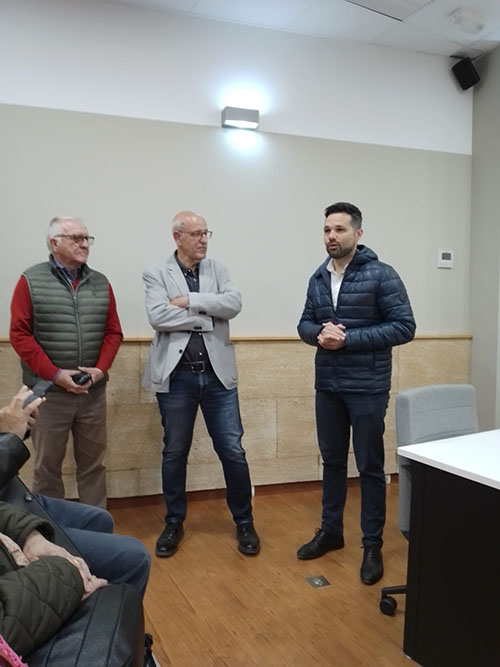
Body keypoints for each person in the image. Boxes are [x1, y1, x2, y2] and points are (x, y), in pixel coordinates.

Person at [297, 202, 415, 585]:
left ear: (358, 234)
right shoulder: (318, 277)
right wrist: (318, 333)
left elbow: (404, 327)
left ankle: (372, 545)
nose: (332, 236)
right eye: (327, 230)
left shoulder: (382, 274)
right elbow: (304, 323)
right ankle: (331, 531)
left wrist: (346, 339)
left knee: (369, 467)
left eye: (340, 230)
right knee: (332, 462)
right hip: (328, 387)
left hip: (367, 386)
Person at [0, 386, 151, 657]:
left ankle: (115, 627)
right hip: (11, 519)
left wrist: (30, 535)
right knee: (135, 556)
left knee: (100, 519)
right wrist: (71, 571)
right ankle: (114, 637)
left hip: (10, 501)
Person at [143, 210, 259, 558]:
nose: (203, 239)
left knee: (232, 450)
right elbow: (158, 316)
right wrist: (207, 316)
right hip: (177, 376)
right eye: (195, 234)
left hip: (218, 376)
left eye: (206, 233)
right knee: (175, 451)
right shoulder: (156, 272)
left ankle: (244, 521)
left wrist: (190, 301)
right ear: (177, 237)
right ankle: (173, 522)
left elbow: (233, 304)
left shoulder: (217, 270)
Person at [9, 216, 123, 508]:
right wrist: (55, 374)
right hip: (48, 395)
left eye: (86, 238)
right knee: (47, 468)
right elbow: (19, 335)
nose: (84, 244)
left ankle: (95, 526)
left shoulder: (101, 282)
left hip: (92, 394)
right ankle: (54, 529)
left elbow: (113, 332)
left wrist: (100, 370)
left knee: (93, 466)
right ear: (54, 243)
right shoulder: (30, 281)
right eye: (76, 238)